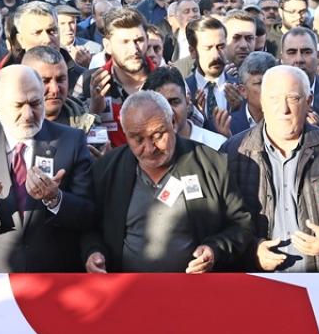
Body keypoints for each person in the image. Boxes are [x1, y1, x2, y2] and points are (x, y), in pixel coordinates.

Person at [80, 90, 252, 273]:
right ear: (125, 133)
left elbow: (240, 225)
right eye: (138, 139)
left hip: (195, 285)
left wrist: (214, 250)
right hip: (127, 286)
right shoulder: (107, 170)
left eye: (157, 135)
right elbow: (89, 227)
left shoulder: (212, 164)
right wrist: (93, 252)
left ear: (173, 123)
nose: (150, 148)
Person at [0, 65, 95, 272]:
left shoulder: (71, 141)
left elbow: (89, 216)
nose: (28, 114)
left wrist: (56, 199)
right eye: (18, 105)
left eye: (35, 103)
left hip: (55, 274)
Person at [225, 65, 319, 272]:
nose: (283, 109)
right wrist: (251, 250)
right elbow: (222, 219)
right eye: (274, 99)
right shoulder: (234, 152)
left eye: (293, 98)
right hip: (259, 280)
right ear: (262, 102)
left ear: (309, 101)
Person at [230, 51, 277, 136]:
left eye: (272, 82)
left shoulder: (290, 121)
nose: (268, 88)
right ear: (243, 91)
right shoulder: (227, 125)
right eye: (259, 83)